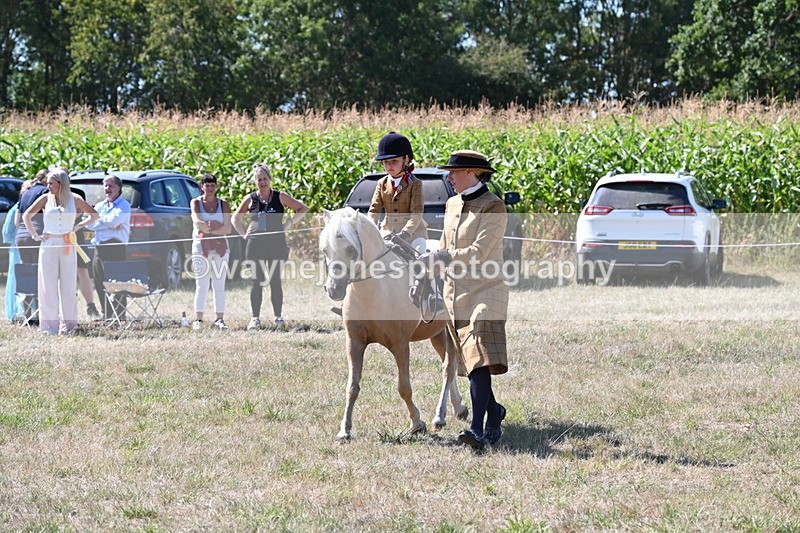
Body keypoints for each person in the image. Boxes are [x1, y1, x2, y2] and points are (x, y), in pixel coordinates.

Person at [413, 150, 509, 450]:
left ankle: (477, 429)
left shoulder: (494, 206)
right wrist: (426, 274)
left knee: (478, 355)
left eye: (453, 172)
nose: (449, 177)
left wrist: (442, 256)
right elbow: (443, 246)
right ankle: (494, 412)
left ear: (472, 172)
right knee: (471, 363)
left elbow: (481, 252)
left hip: (486, 290)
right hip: (454, 293)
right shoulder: (452, 203)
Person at [22, 167, 99, 334]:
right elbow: (26, 215)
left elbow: (94, 215)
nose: (48, 186)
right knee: (47, 285)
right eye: (48, 183)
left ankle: (68, 325)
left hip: (67, 244)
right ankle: (49, 326)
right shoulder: (45, 198)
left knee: (68, 285)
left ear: (61, 183)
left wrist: (78, 226)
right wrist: (35, 235)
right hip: (49, 243)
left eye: (51, 183)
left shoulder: (75, 199)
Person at [232, 163, 308, 329]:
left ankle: (278, 317)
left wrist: (288, 223)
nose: (262, 182)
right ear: (255, 181)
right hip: (255, 245)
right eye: (259, 180)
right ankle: (255, 318)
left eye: (265, 179)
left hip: (276, 244)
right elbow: (235, 218)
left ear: (270, 179)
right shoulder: (250, 199)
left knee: (275, 281)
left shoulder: (280, 196)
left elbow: (303, 208)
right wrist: (243, 234)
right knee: (256, 281)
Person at [368, 131, 428, 253]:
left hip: (413, 234)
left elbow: (417, 213)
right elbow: (374, 210)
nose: (389, 165)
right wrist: (370, 228)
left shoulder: (415, 184)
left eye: (394, 161)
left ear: (406, 159)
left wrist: (405, 233)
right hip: (388, 232)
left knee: (420, 255)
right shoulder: (381, 183)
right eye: (386, 162)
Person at [190, 173, 232, 331]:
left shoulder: (224, 204)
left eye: (212, 185)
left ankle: (219, 319)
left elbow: (227, 228)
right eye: (206, 185)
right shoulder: (195, 202)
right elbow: (198, 223)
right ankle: (199, 319)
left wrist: (210, 228)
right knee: (201, 284)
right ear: (202, 187)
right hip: (201, 247)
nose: (209, 188)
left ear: (216, 187)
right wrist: (215, 227)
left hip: (220, 248)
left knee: (219, 284)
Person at [88, 175, 131, 320]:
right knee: (100, 282)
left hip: (115, 247)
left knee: (116, 283)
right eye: (105, 185)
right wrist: (108, 223)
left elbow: (114, 221)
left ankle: (119, 315)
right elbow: (89, 224)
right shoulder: (100, 206)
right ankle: (107, 314)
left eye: (111, 185)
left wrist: (100, 220)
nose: (107, 188)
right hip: (99, 248)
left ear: (119, 188)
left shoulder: (124, 206)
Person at [2, 179, 33, 321]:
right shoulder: (15, 209)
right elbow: (7, 233)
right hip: (17, 249)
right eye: (27, 189)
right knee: (17, 278)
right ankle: (16, 312)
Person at [71, 187, 101, 321]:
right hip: (58, 236)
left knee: (82, 270)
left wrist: (75, 224)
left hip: (75, 235)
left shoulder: (77, 193)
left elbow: (81, 211)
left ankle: (91, 306)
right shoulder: (52, 194)